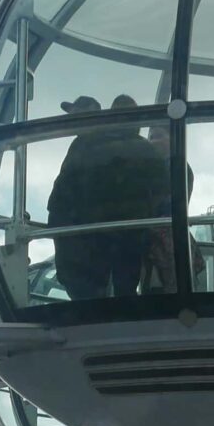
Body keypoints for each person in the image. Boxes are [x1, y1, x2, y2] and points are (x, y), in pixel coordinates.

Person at [47, 97, 170, 301]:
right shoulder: (146, 151)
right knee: (125, 292)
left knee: (86, 299)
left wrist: (59, 232)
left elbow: (62, 194)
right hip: (129, 238)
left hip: (85, 239)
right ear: (137, 123)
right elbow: (161, 193)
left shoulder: (84, 144)